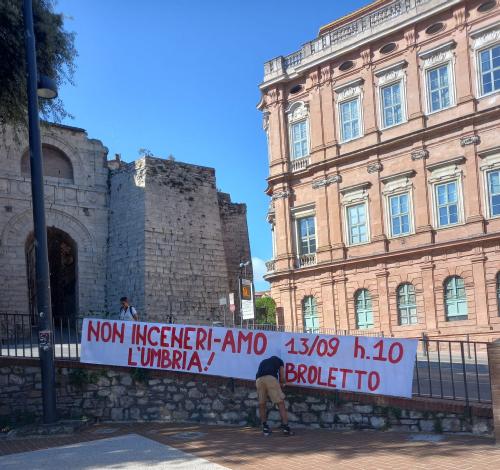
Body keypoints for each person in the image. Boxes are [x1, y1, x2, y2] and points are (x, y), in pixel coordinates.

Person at [256, 355, 294, 436]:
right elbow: (282, 376)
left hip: (258, 380)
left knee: (261, 404)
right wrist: (283, 383)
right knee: (280, 403)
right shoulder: (280, 361)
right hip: (271, 379)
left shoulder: (263, 361)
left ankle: (265, 428)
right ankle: (286, 428)